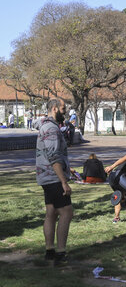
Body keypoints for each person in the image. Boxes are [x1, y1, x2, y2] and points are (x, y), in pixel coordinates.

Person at [33, 99, 73, 266]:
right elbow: (54, 156)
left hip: (47, 177)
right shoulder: (51, 128)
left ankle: (50, 252)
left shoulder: (47, 125)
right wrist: (63, 181)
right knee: (66, 212)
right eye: (63, 109)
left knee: (51, 212)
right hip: (53, 178)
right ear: (55, 108)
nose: (65, 112)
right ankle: (61, 253)